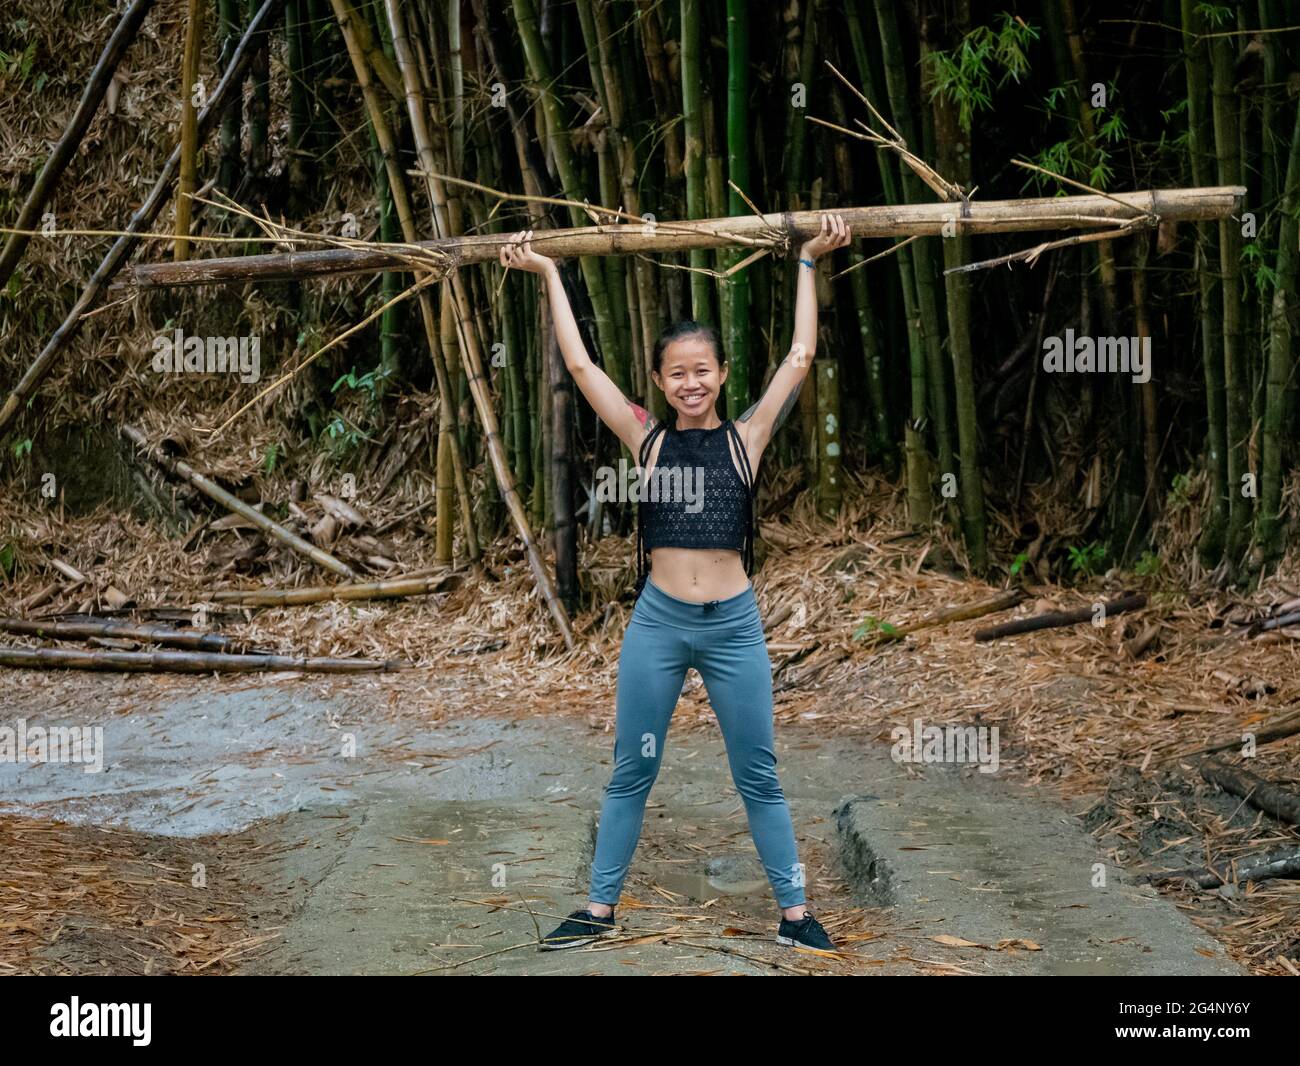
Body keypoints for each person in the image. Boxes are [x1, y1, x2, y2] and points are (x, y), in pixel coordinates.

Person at [498, 213, 851, 952]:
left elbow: (800, 353)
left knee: (758, 773)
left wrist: (808, 261)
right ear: (658, 382)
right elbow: (585, 369)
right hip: (659, 624)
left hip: (733, 627)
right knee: (632, 771)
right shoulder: (644, 437)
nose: (691, 382)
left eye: (703, 370)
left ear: (721, 375)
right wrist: (551, 275)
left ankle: (795, 915)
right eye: (676, 372)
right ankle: (599, 910)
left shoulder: (746, 437)